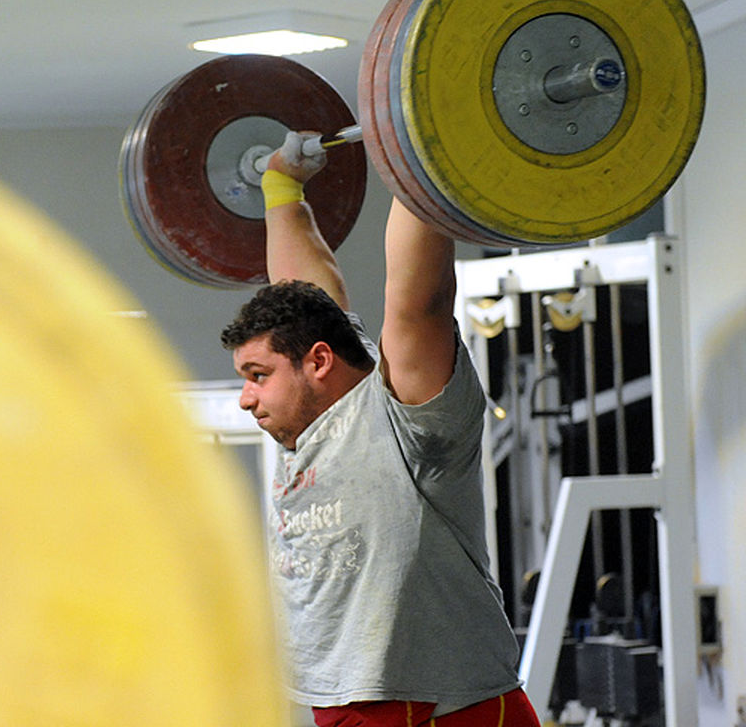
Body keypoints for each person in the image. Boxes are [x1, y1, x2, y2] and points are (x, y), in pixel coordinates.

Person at [219, 132, 540, 727]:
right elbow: (302, 290)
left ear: (318, 362)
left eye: (258, 376)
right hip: (342, 703)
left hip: (445, 709)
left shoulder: (408, 419)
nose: (245, 399)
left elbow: (417, 302)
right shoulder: (307, 423)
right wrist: (281, 187)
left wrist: (415, 147)